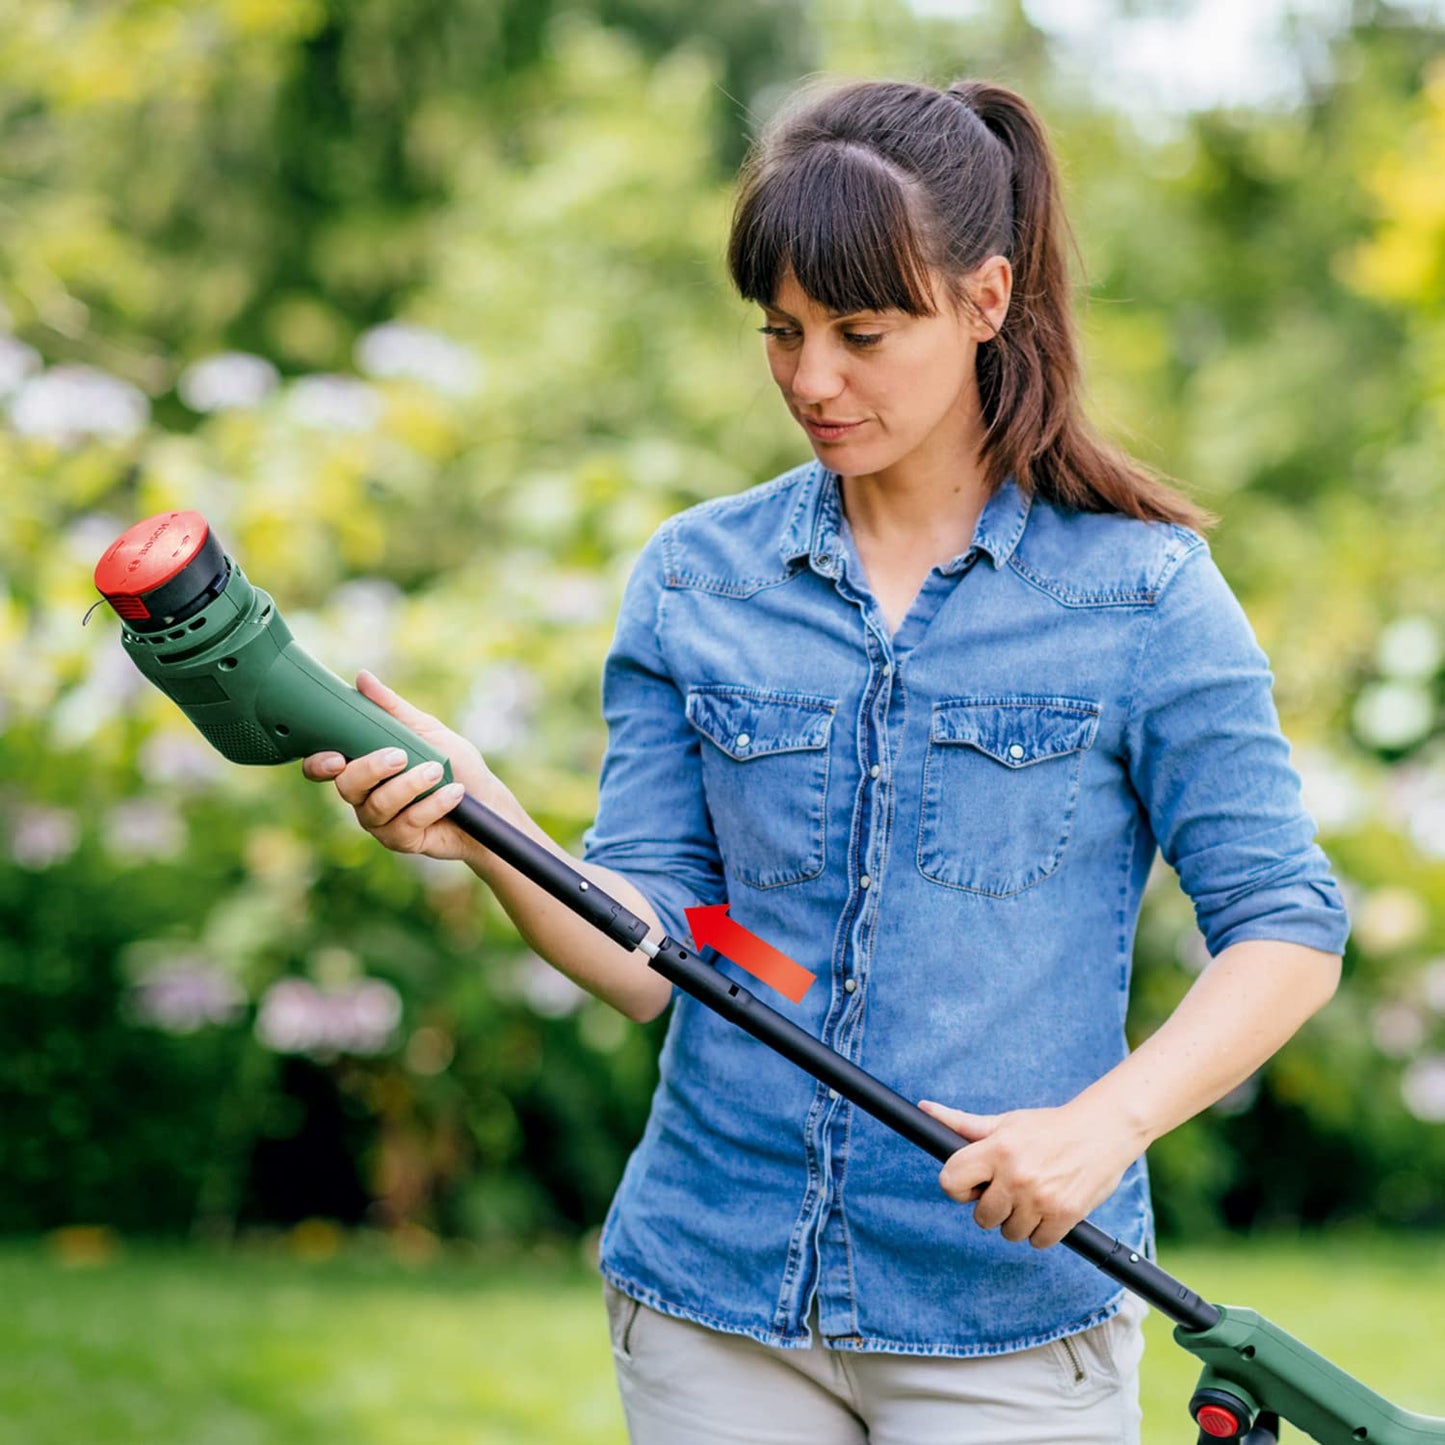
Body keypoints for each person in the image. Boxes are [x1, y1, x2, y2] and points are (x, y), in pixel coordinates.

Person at [303, 76, 1351, 1445]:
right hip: (713, 1296)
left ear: (984, 301)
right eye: (780, 332)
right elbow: (663, 947)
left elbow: (1284, 923)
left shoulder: (1141, 596)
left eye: (862, 331)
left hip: (1002, 1318)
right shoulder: (698, 579)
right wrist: (487, 819)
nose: (811, 379)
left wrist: (1105, 1126)